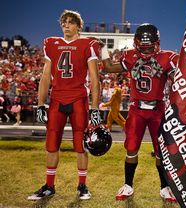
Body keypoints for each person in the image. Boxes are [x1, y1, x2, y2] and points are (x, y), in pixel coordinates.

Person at [27, 9, 102, 201]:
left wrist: (94, 108)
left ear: (78, 26)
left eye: (70, 22)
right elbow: (45, 75)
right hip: (57, 98)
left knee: (81, 145)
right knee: (51, 144)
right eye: (63, 22)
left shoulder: (88, 43)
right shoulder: (51, 43)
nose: (66, 25)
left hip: (78, 98)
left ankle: (82, 186)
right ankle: (49, 186)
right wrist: (41, 103)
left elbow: (95, 79)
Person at [102, 23, 178, 202]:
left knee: (161, 152)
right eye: (143, 47)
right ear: (136, 43)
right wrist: (103, 49)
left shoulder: (168, 58)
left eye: (150, 46)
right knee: (131, 150)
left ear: (157, 43)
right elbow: (109, 68)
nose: (146, 51)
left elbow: (180, 80)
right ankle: (128, 186)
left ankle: (165, 187)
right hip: (136, 110)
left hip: (158, 110)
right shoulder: (130, 56)